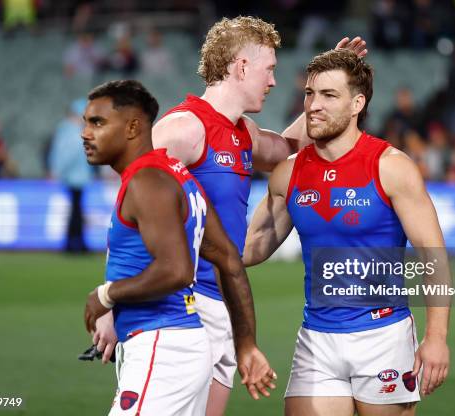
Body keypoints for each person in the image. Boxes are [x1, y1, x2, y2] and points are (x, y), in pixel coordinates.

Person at [93, 16, 367, 416]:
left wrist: (332, 94)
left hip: (222, 308)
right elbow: (131, 215)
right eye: (269, 68)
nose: (273, 81)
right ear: (241, 67)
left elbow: (289, 148)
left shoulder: (244, 133)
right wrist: (114, 302)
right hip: (176, 309)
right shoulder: (184, 128)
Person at [243, 49, 450, 416]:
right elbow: (252, 248)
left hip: (384, 336)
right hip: (317, 339)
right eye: (309, 94)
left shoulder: (391, 167)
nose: (313, 105)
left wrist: (435, 338)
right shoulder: (287, 173)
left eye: (328, 95)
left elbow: (432, 255)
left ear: (357, 103)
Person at [81, 80, 275, 415]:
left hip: (161, 346)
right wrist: (246, 343)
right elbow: (230, 259)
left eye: (97, 122)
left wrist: (105, 296)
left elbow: (177, 270)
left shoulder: (148, 181)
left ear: (132, 127)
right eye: (86, 122)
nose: (85, 133)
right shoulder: (179, 175)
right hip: (186, 344)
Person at [49, 99, 94, 253]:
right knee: (76, 210)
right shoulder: (71, 131)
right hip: (75, 177)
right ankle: (75, 243)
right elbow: (68, 154)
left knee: (76, 209)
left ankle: (75, 242)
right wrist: (58, 170)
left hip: (76, 176)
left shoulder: (67, 129)